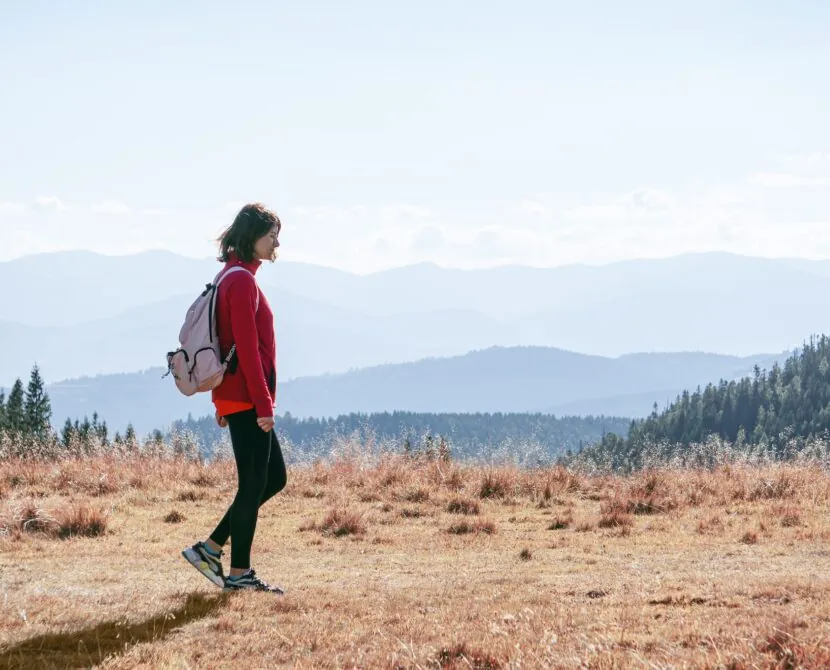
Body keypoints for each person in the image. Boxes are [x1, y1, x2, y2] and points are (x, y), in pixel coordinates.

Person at [182, 202, 287, 593]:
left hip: (237, 397)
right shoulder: (240, 281)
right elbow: (243, 345)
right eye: (271, 233)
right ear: (252, 236)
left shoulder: (231, 276)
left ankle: (210, 549)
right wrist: (265, 405)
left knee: (271, 478)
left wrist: (221, 401)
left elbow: (222, 344)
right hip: (246, 398)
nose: (277, 241)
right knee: (254, 483)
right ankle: (239, 573)